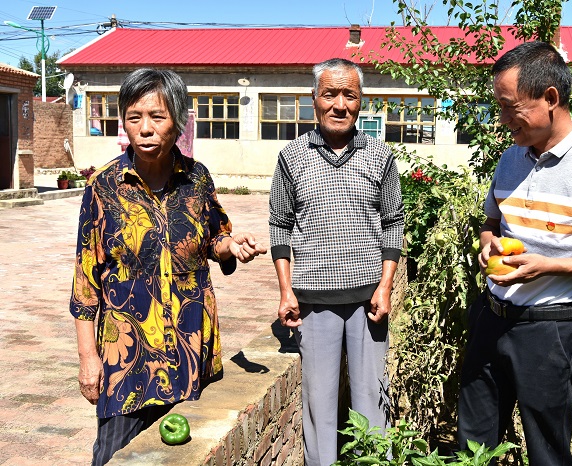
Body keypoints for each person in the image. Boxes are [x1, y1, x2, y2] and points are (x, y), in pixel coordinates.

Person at [457, 41, 572, 464]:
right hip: (491, 316)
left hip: (550, 329)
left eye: (510, 108)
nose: (503, 121)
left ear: (551, 98)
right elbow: (492, 224)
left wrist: (548, 266)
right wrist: (489, 241)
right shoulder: (510, 159)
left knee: (547, 450)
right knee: (473, 444)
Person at [69, 68, 267, 466]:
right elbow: (85, 281)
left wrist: (232, 246)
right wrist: (88, 358)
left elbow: (215, 238)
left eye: (157, 117)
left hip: (188, 351)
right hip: (125, 361)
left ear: (178, 121)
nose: (144, 128)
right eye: (134, 116)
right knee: (112, 457)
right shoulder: (104, 187)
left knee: (186, 457)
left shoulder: (197, 180)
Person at [269, 57, 404, 466]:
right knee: (320, 405)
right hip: (314, 304)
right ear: (315, 99)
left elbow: (393, 222)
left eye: (350, 95)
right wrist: (286, 291)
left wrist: (385, 286)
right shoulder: (292, 157)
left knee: (370, 404)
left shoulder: (380, 156)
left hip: (368, 303)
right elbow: (279, 224)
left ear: (361, 102)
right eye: (330, 94)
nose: (340, 104)